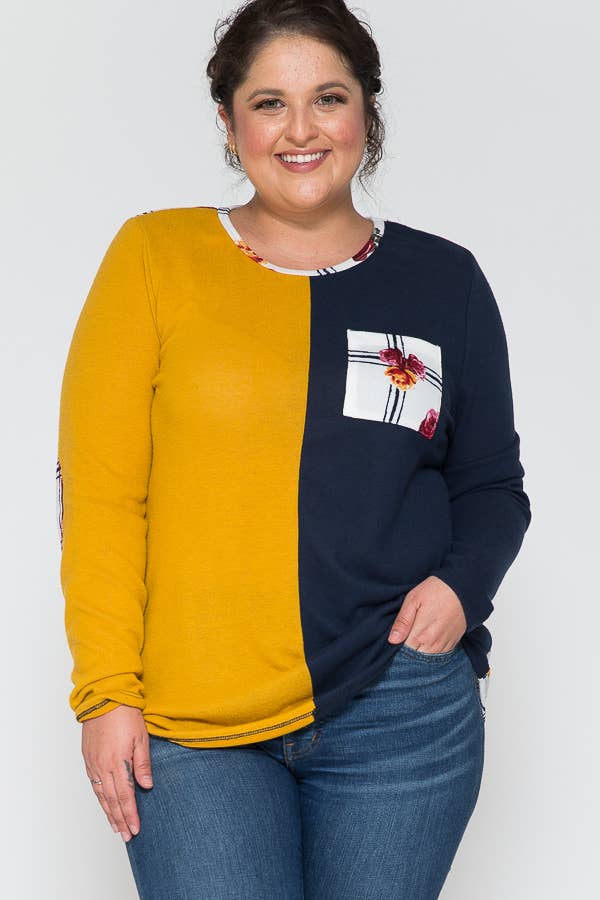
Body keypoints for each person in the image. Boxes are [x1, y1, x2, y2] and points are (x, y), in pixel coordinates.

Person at [56, 1, 532, 897]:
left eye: (329, 98)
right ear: (229, 122)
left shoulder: (444, 279)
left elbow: (491, 485)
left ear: (367, 112)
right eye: (269, 102)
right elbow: (103, 496)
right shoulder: (155, 256)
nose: (301, 130)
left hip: (399, 711)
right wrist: (106, 691)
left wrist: (460, 590)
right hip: (192, 720)